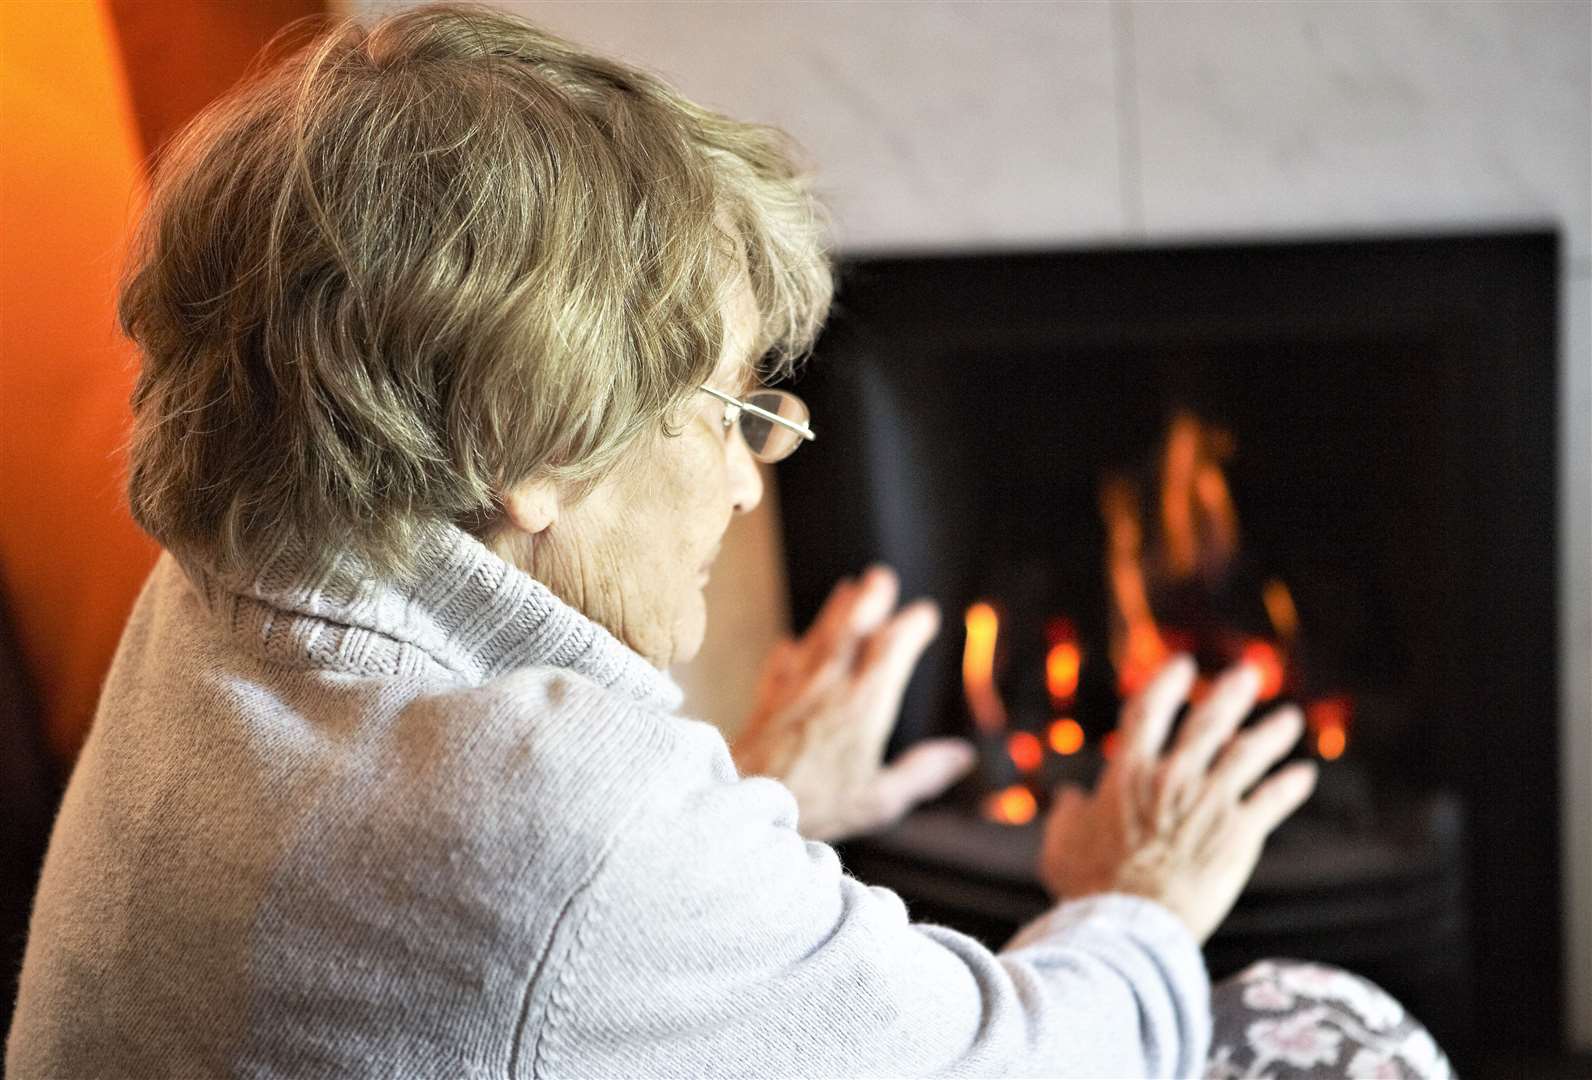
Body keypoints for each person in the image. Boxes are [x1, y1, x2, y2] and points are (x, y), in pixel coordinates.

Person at [6, 5, 1450, 1077]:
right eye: (730, 408)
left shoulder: (216, 605)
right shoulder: (559, 812)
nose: (754, 480)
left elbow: (513, 973)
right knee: (1334, 1033)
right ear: (529, 452)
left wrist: (756, 805)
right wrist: (1139, 895)